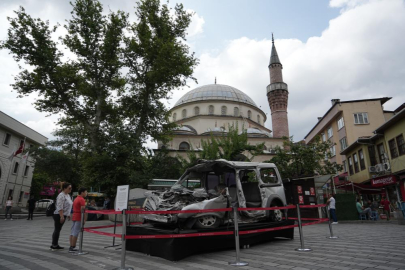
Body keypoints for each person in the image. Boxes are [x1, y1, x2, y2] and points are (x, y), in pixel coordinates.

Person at [50, 182, 73, 251]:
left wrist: (68, 214)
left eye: (71, 188)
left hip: (64, 214)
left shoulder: (68, 195)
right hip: (58, 214)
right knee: (57, 229)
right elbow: (60, 206)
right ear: (64, 188)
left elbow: (68, 206)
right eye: (69, 188)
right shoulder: (61, 195)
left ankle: (55, 244)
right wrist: (61, 216)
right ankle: (54, 244)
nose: (70, 189)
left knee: (58, 229)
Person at [69, 187, 87, 253]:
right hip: (79, 216)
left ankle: (71, 245)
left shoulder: (76, 198)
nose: (86, 193)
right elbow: (83, 210)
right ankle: (73, 246)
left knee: (72, 231)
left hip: (74, 215)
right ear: (82, 192)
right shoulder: (82, 199)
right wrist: (84, 219)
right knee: (76, 232)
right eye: (85, 192)